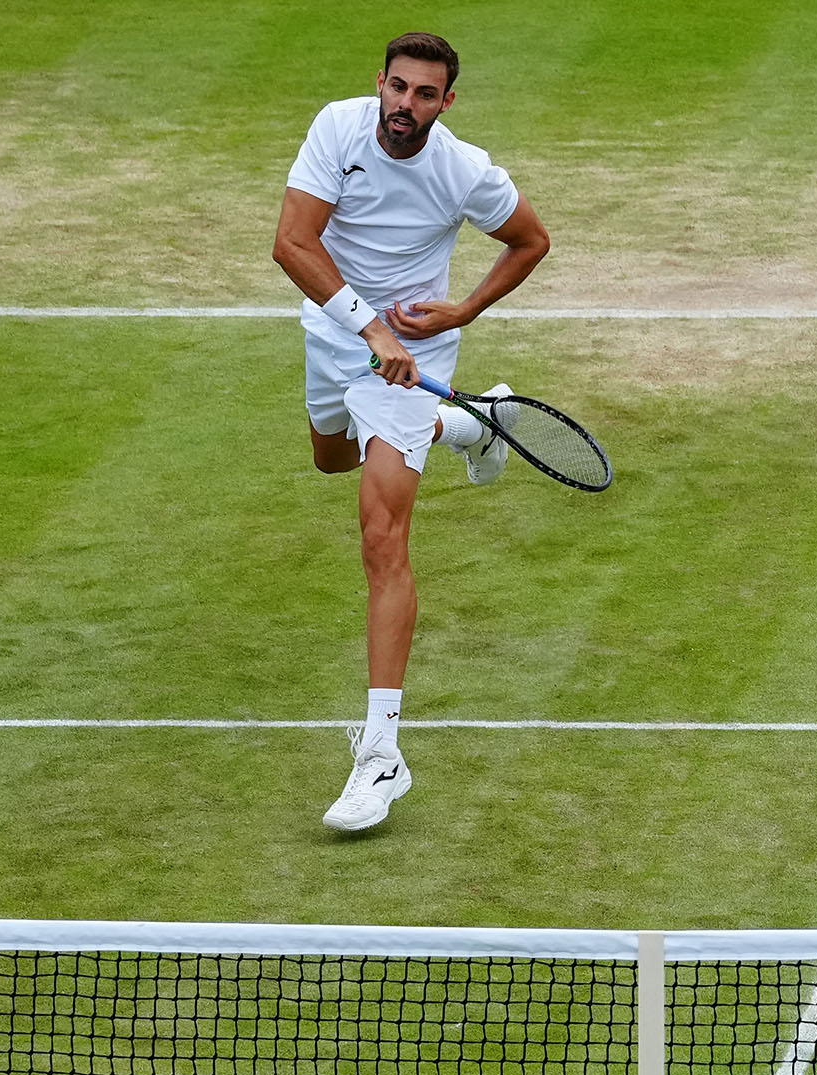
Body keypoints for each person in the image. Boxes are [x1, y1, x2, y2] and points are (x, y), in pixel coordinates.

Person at [271, 32, 550, 831]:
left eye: (426, 95)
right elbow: (293, 242)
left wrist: (461, 310)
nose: (407, 105)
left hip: (413, 353)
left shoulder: (463, 169)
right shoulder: (338, 127)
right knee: (330, 459)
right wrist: (367, 331)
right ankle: (469, 423)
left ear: (446, 102)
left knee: (381, 535)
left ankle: (382, 755)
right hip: (339, 336)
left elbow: (531, 240)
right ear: (381, 85)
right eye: (399, 88)